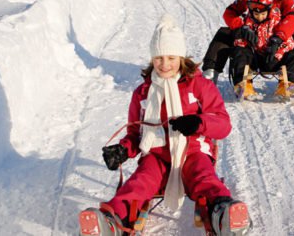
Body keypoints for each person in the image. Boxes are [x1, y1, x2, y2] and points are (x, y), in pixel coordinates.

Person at [78, 14, 250, 236]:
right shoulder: (142, 93)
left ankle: (223, 213)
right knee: (139, 182)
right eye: (159, 58)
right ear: (152, 60)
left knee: (204, 177)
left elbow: (223, 124)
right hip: (156, 155)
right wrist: (123, 150)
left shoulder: (199, 86)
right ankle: (113, 220)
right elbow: (135, 134)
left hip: (192, 152)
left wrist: (198, 122)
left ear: (181, 58)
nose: (165, 64)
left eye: (171, 57)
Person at [228, 0, 294, 100]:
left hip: (274, 59)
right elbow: (238, 43)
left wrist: (277, 50)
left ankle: (287, 85)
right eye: (256, 14)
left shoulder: (277, 22)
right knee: (239, 52)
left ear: (269, 10)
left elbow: (289, 43)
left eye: (263, 14)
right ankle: (242, 84)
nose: (259, 17)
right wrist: (244, 38)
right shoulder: (246, 23)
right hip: (255, 60)